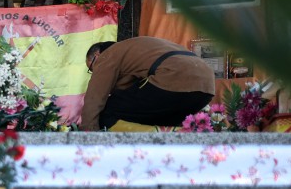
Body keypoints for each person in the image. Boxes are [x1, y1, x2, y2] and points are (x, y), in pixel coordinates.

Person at [80, 37, 215, 131]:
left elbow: (95, 97)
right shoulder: (134, 49)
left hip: (172, 77)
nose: (95, 72)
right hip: (207, 86)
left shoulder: (107, 55)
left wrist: (88, 135)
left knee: (107, 112)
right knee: (156, 117)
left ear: (97, 55)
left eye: (92, 68)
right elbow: (130, 91)